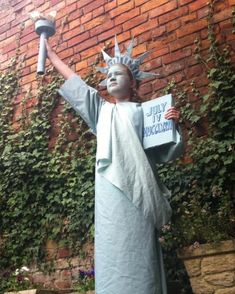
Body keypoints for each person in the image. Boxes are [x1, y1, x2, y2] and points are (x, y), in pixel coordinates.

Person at [45, 36, 183, 294]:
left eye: (118, 74)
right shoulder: (102, 111)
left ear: (132, 82)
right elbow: (77, 85)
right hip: (109, 191)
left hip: (139, 190)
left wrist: (172, 124)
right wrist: (52, 56)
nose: (111, 77)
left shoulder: (147, 112)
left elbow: (166, 152)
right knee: (112, 245)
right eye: (108, 75)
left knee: (139, 247)